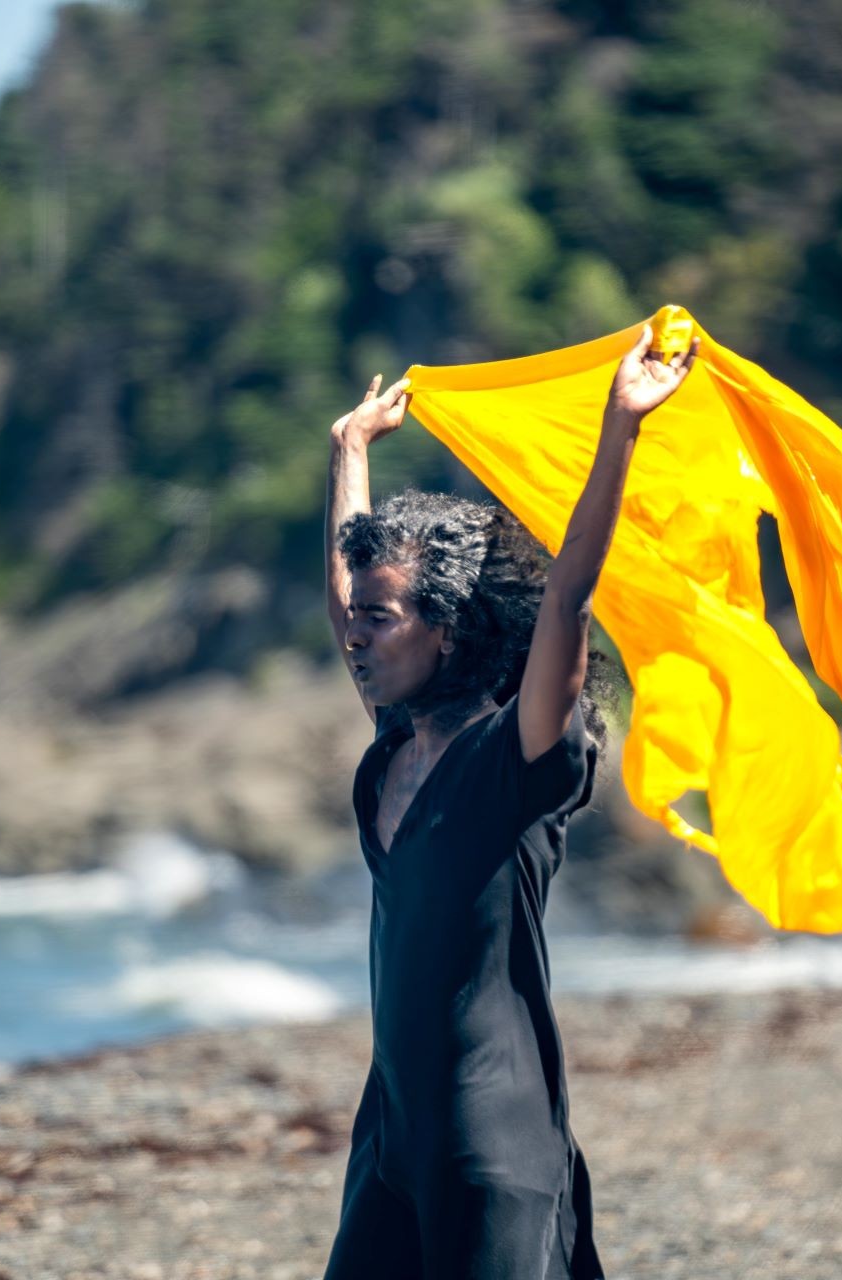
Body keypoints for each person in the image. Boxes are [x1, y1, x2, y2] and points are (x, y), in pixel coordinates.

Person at [320, 326, 701, 1279]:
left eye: (381, 619)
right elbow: (342, 599)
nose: (356, 636)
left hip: (493, 1142)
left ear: (445, 633)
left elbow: (568, 597)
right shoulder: (396, 741)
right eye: (357, 617)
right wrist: (350, 451)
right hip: (392, 1132)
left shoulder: (515, 756)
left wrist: (621, 427)